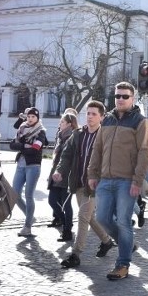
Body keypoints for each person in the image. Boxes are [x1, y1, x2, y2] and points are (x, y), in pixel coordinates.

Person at [88, 82, 148, 281]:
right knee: (102, 219)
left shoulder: (141, 122)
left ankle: (122, 264)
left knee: (124, 222)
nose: (120, 99)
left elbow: (145, 153)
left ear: (133, 99)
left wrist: (137, 180)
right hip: (105, 180)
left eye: (125, 96)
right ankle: (128, 244)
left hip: (127, 181)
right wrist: (92, 173)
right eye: (117, 96)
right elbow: (97, 148)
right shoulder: (106, 120)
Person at [56, 101, 116, 268]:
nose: (89, 117)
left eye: (94, 114)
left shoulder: (106, 136)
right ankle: (106, 241)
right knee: (89, 217)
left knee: (83, 217)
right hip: (79, 182)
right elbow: (66, 155)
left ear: (102, 117)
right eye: (88, 113)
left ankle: (76, 254)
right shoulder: (78, 134)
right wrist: (60, 171)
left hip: (96, 185)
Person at [10, 107, 47, 237]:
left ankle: (27, 227)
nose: (30, 119)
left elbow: (35, 149)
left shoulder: (41, 131)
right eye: (29, 116)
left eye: (33, 117)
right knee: (14, 194)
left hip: (33, 166)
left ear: (37, 118)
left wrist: (22, 146)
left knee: (29, 195)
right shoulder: (22, 129)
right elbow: (12, 145)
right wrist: (25, 146)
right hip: (20, 165)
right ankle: (30, 216)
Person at [47, 112, 78, 242]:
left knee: (66, 204)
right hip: (56, 174)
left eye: (62, 122)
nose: (60, 124)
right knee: (52, 201)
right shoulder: (60, 136)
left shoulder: (73, 137)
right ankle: (66, 222)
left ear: (70, 124)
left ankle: (67, 231)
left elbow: (70, 158)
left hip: (67, 176)